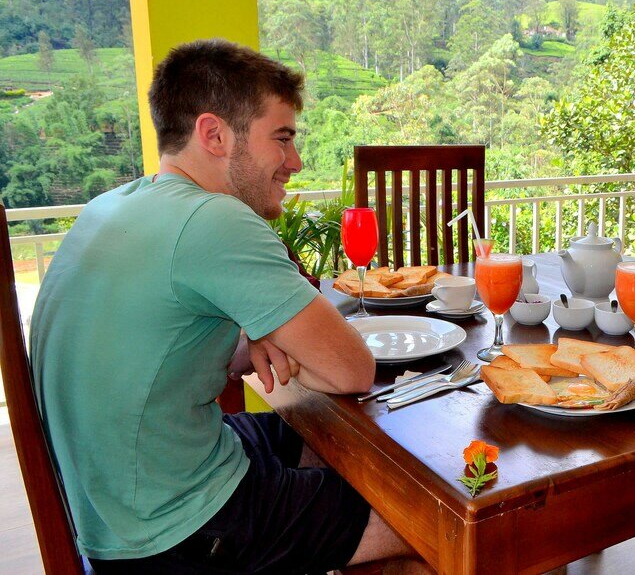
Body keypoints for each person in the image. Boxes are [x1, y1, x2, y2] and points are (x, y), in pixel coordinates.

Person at [30, 39, 422, 573]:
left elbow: (162, 346)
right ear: (213, 134)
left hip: (114, 514)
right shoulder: (214, 219)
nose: (295, 162)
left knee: (318, 442)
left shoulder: (111, 206)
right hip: (177, 534)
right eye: (281, 139)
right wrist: (279, 335)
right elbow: (353, 370)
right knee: (426, 519)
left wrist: (257, 334)